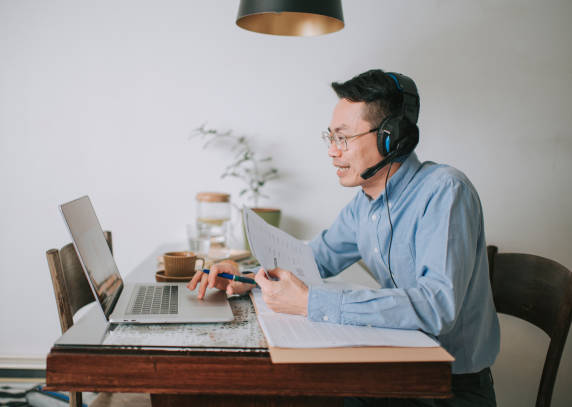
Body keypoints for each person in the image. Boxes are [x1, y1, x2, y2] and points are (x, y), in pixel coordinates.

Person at [188, 69, 500, 406]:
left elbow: (436, 306)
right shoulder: (365, 204)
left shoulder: (445, 191)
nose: (332, 152)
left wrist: (310, 303)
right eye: (330, 138)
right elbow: (315, 258)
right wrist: (248, 278)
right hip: (400, 372)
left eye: (344, 138)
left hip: (449, 389)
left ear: (390, 137)